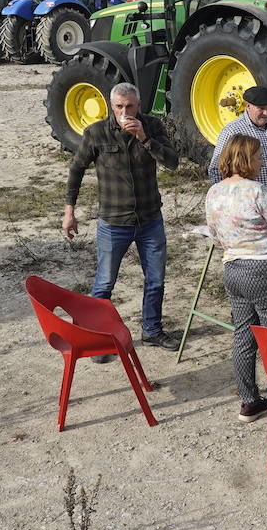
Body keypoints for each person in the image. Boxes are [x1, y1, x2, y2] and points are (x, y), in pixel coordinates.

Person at [63, 82, 181, 353]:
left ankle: (152, 330)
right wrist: (69, 211)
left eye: (129, 106)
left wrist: (145, 139)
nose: (124, 112)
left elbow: (173, 162)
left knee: (156, 279)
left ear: (139, 106)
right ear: (110, 106)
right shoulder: (96, 132)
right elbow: (76, 169)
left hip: (150, 219)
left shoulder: (151, 126)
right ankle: (98, 339)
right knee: (104, 283)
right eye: (119, 106)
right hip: (114, 222)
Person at [205, 134, 267, 425]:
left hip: (234, 268)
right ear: (247, 159)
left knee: (244, 336)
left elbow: (215, 234)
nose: (262, 161)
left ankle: (249, 401)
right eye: (259, 156)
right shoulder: (257, 191)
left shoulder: (214, 192)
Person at [207, 86, 267, 199]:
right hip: (250, 200)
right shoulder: (232, 131)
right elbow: (217, 169)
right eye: (261, 108)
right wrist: (229, 199)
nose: (266, 113)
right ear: (247, 106)